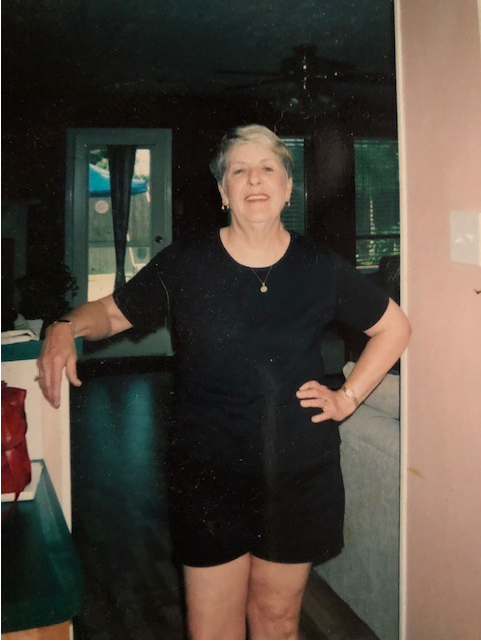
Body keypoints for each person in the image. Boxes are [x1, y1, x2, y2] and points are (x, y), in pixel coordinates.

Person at [37, 124, 411, 641]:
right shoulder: (187, 262)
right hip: (208, 474)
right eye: (239, 170)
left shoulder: (320, 267)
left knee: (277, 621)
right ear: (223, 191)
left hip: (297, 473)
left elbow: (394, 327)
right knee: (213, 629)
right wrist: (65, 326)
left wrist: (347, 398)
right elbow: (113, 312)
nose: (254, 179)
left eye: (267, 169)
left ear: (287, 188)